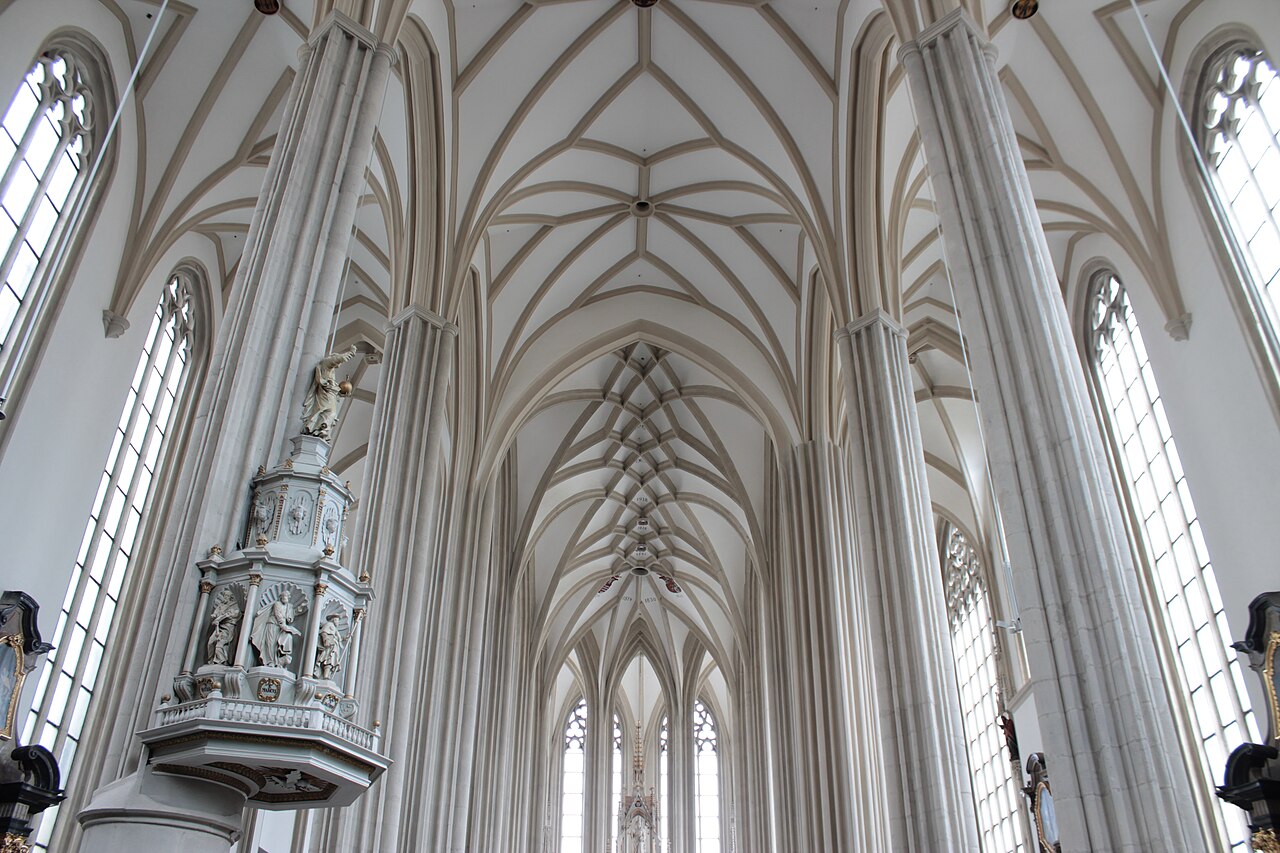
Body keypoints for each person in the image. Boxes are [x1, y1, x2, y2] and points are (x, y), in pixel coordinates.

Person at [301, 344, 358, 439]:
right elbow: (339, 359)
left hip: (329, 393)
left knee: (331, 413)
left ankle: (322, 429)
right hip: (325, 394)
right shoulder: (326, 363)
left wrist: (341, 392)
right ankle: (320, 428)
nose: (338, 365)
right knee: (330, 412)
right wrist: (351, 353)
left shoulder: (330, 370)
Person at [251, 587, 302, 667]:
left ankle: (277, 661)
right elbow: (278, 615)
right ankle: (269, 661)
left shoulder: (289, 606)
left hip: (282, 628)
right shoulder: (277, 604)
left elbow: (291, 615)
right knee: (270, 643)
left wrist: (300, 608)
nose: (287, 598)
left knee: (280, 642)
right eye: (285, 596)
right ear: (281, 597)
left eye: (288, 597)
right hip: (273, 625)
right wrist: (285, 626)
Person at [205, 587, 241, 666]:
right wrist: (214, 615)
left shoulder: (234, 606)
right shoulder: (221, 605)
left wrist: (227, 615)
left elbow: (237, 614)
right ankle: (211, 660)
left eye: (226, 597)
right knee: (210, 642)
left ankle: (221, 661)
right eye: (224, 596)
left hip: (227, 628)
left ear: (230, 597)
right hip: (218, 626)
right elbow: (216, 612)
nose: (224, 598)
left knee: (219, 645)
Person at [315, 612, 346, 680]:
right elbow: (324, 632)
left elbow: (338, 637)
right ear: (334, 619)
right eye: (337, 620)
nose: (338, 622)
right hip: (329, 646)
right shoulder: (329, 624)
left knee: (331, 661)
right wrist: (325, 640)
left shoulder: (334, 628)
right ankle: (325, 675)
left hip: (334, 647)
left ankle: (326, 675)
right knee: (328, 660)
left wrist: (345, 638)